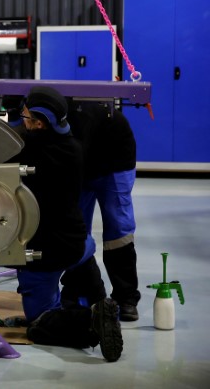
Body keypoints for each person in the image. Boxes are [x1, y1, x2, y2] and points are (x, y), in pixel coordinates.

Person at [8, 86, 123, 362]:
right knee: (84, 261)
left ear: (38, 123)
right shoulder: (72, 146)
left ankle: (88, 321)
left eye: (26, 117)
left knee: (38, 324)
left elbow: (0, 152)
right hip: (77, 242)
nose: (22, 120)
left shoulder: (29, 150)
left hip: (43, 251)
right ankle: (103, 308)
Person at [65, 102, 141, 321]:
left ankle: (126, 297)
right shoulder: (42, 119)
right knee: (76, 229)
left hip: (116, 155)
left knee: (119, 228)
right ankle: (78, 292)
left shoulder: (76, 121)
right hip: (81, 160)